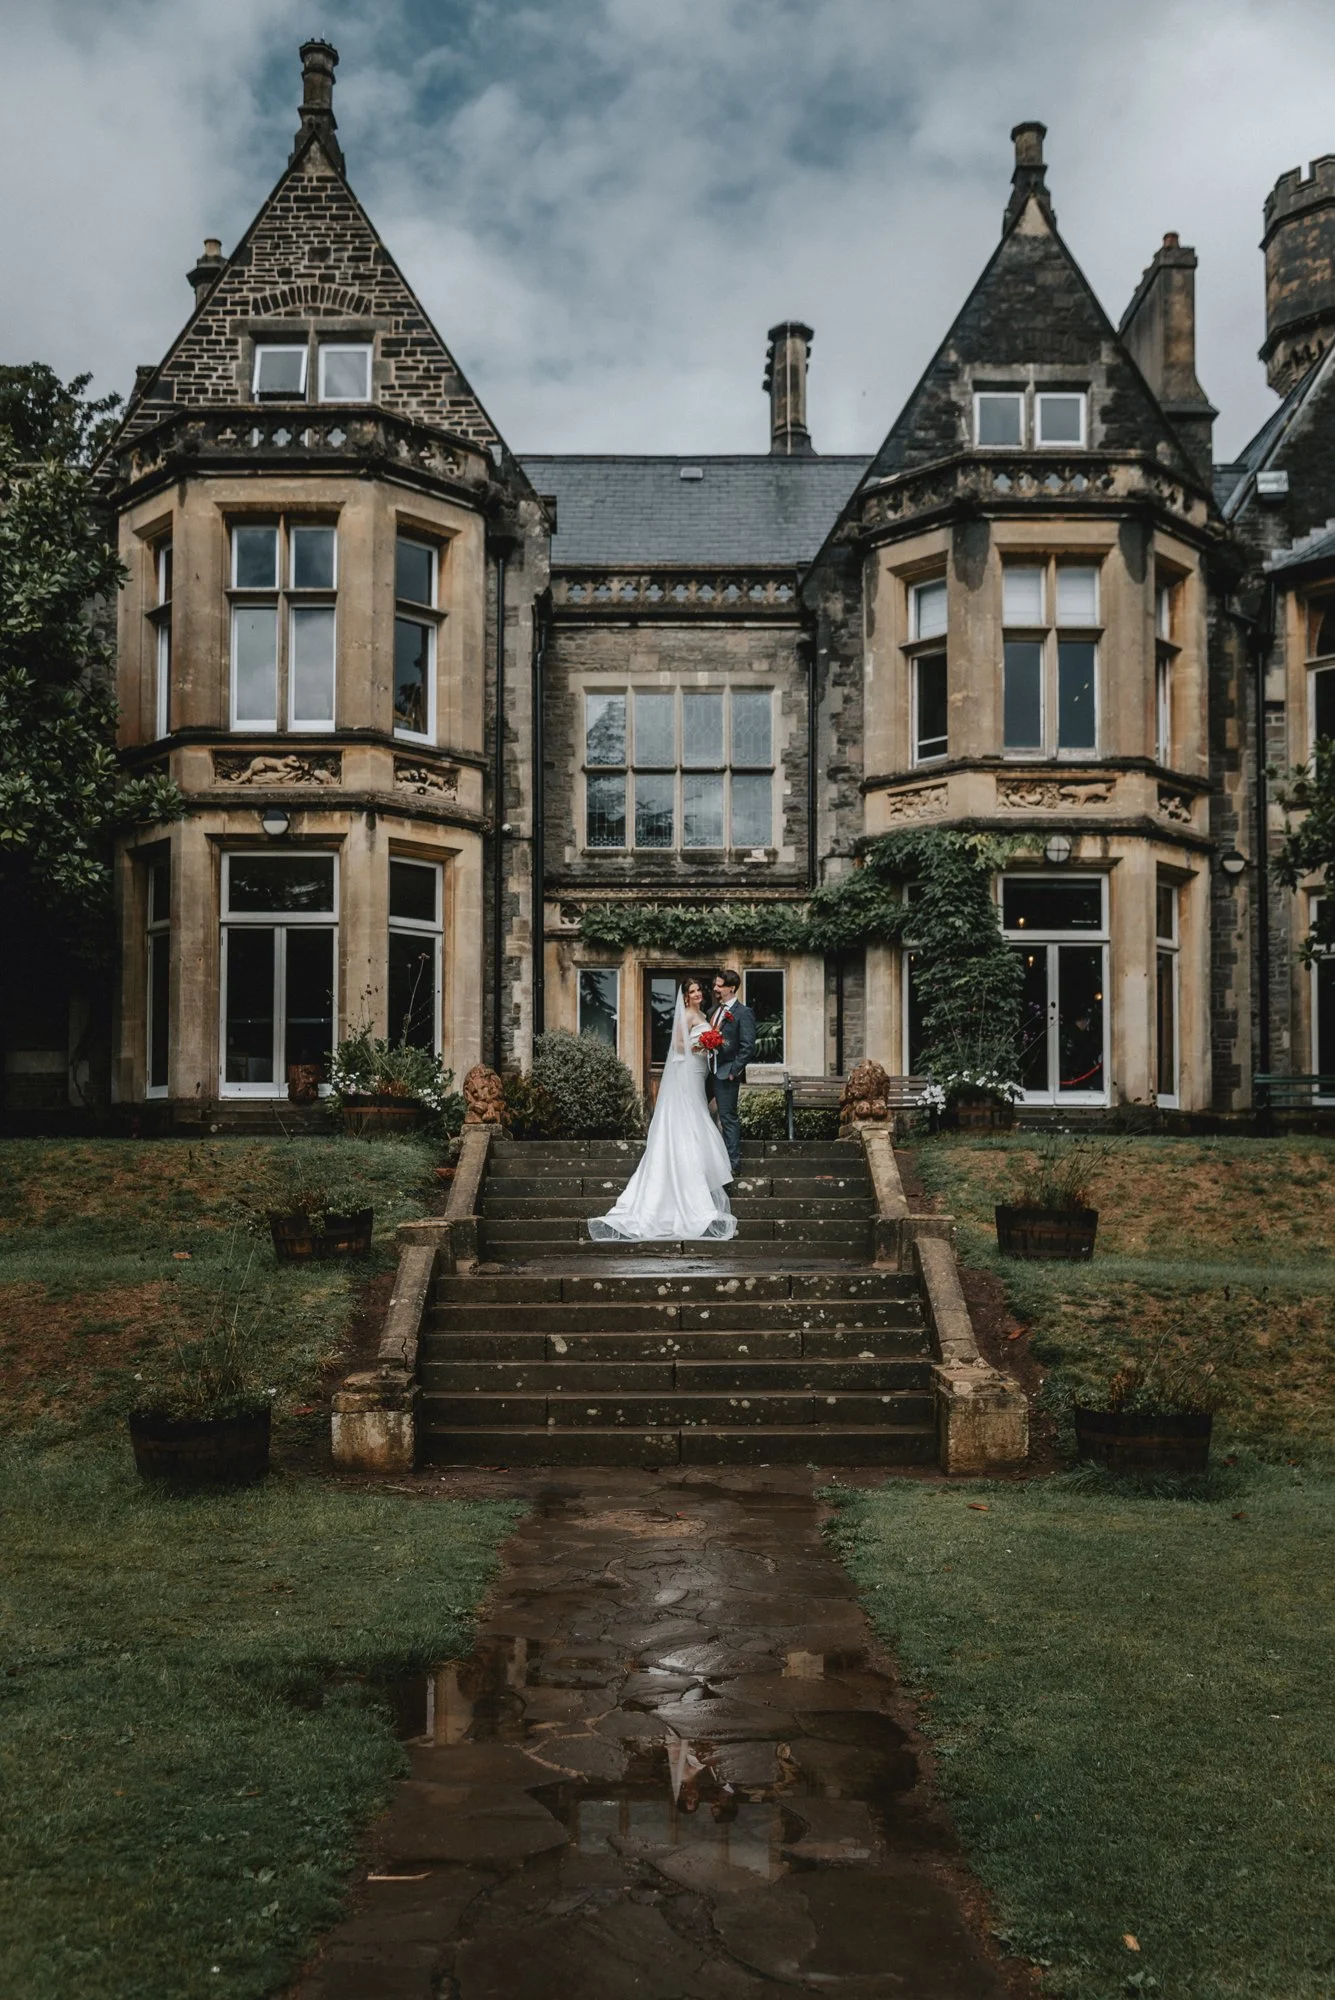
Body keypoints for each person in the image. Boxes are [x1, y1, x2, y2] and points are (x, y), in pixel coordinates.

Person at [588, 978, 737, 1241]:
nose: (698, 994)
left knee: (697, 1113)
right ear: (685, 997)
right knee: (691, 1117)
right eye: (692, 991)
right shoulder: (689, 1015)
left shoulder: (704, 1013)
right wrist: (704, 1044)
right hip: (689, 1068)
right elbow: (679, 1047)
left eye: (699, 990)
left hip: (700, 1070)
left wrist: (709, 1044)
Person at [704, 968, 755, 1179]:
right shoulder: (712, 1012)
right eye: (715, 984)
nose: (715, 988)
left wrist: (734, 1071)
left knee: (728, 1118)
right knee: (696, 1113)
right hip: (707, 1073)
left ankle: (733, 1165)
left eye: (719, 985)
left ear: (731, 988)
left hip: (726, 1074)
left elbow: (747, 1046)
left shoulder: (743, 1013)